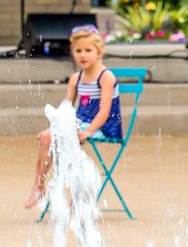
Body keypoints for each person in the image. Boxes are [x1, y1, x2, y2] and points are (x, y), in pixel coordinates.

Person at [25, 25, 122, 209]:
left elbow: (105, 112)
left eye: (88, 50)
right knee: (47, 138)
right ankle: (39, 186)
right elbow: (66, 106)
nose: (83, 55)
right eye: (78, 51)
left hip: (103, 126)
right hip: (80, 123)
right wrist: (52, 127)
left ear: (99, 52)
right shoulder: (76, 78)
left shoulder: (105, 77)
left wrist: (89, 131)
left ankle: (79, 195)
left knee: (68, 141)